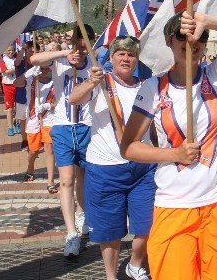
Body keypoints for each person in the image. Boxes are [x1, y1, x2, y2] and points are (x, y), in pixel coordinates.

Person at [121, 11, 217, 280]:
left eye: (200, 37)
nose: (192, 41)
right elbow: (129, 147)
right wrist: (175, 154)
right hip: (174, 207)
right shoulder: (152, 89)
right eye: (183, 35)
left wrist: (208, 21)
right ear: (169, 41)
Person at [69, 36, 154, 280]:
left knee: (147, 225)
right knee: (109, 231)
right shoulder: (101, 83)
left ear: (137, 59)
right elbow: (73, 99)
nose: (126, 59)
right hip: (105, 169)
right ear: (112, 57)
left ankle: (135, 265)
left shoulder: (147, 85)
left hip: (142, 168)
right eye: (121, 54)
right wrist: (90, 83)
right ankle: (110, 276)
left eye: (131, 55)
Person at [30, 24, 95, 258]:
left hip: (87, 127)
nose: (80, 48)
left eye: (84, 43)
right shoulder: (61, 62)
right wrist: (63, 53)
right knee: (66, 180)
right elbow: (35, 59)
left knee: (83, 176)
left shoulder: (93, 66)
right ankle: (71, 234)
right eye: (77, 42)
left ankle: (81, 213)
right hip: (63, 128)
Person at [14, 64, 57, 192]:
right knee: (33, 151)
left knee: (49, 148)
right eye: (41, 68)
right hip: (33, 119)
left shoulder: (55, 83)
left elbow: (62, 102)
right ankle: (30, 167)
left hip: (49, 119)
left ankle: (50, 181)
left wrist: (48, 106)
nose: (44, 71)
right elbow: (16, 83)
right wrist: (28, 72)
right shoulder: (31, 81)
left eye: (47, 68)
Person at [15, 41, 35, 151]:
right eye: (29, 51)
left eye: (33, 51)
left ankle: (33, 140)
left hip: (34, 97)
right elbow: (16, 62)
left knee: (32, 119)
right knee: (23, 120)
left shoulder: (37, 64)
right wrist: (23, 49)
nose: (31, 53)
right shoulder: (21, 63)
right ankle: (24, 140)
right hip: (22, 96)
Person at [0, 45, 18, 136]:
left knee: (18, 106)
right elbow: (6, 72)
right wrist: (17, 67)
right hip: (7, 85)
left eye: (12, 50)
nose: (11, 52)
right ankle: (10, 128)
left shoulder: (16, 59)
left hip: (17, 84)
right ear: (5, 51)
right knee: (10, 108)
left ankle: (17, 123)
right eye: (9, 50)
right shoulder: (2, 60)